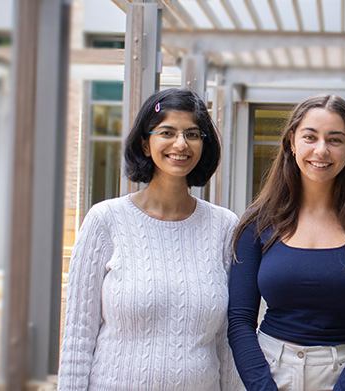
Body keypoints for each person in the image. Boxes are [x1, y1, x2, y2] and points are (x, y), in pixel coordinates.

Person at [58, 88, 242, 391]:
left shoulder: (224, 226)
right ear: (146, 143)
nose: (180, 144)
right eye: (167, 132)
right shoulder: (106, 220)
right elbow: (79, 334)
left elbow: (227, 340)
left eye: (193, 134)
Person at [227, 94, 345, 391]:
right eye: (310, 137)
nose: (321, 150)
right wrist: (262, 386)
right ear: (292, 142)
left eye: (335, 140)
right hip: (269, 373)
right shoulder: (257, 222)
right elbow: (240, 319)